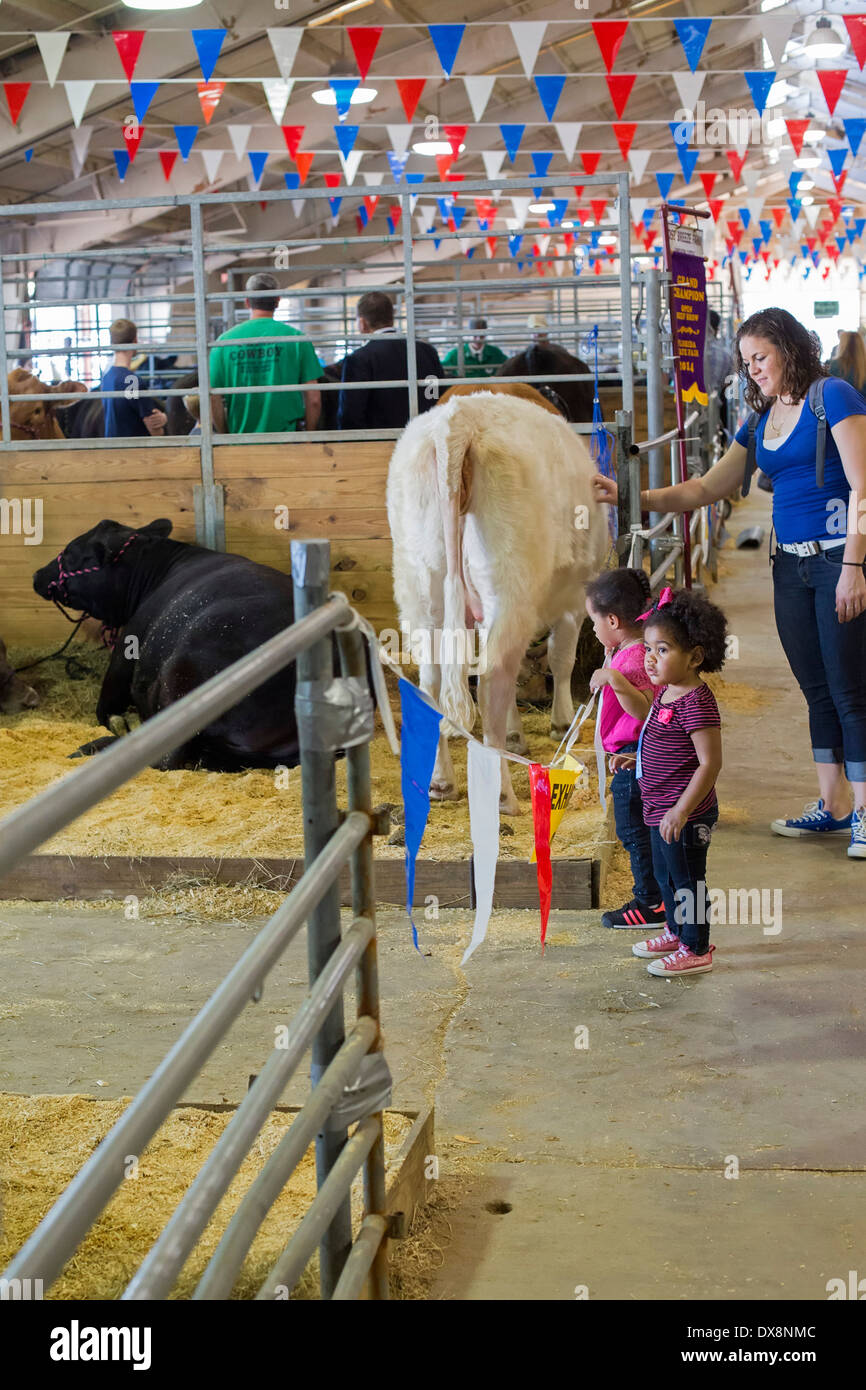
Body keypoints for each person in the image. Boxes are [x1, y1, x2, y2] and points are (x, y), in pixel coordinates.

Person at [592, 306, 866, 858]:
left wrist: (855, 568)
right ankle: (833, 805)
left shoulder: (832, 396)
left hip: (840, 559)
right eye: (746, 361)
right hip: (789, 564)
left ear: (789, 347)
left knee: (850, 688)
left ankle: (865, 814)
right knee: (815, 686)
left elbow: (865, 487)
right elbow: (706, 488)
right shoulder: (761, 418)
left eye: (760, 356)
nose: (754, 369)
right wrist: (632, 499)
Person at [628, 587, 726, 977]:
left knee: (688, 880)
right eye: (648, 648)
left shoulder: (697, 701)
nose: (651, 659)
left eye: (663, 650)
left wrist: (682, 810)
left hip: (686, 814)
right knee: (666, 876)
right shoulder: (666, 692)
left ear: (695, 656)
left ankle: (696, 947)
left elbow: (710, 763)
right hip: (659, 808)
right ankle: (675, 930)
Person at [585, 567, 664, 932]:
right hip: (630, 754)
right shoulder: (629, 650)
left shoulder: (632, 661)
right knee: (637, 830)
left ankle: (650, 904)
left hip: (635, 756)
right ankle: (657, 897)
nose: (594, 630)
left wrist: (613, 678)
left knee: (634, 832)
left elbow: (644, 708)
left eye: (595, 622)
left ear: (613, 620)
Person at [209, 272, 321, 434]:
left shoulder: (223, 343)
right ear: (277, 301)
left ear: (247, 302)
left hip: (241, 442)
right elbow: (314, 399)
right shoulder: (297, 339)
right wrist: (310, 435)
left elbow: (213, 399)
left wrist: (226, 434)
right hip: (288, 441)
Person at [337, 292, 443, 430]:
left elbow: (350, 414)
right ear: (391, 318)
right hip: (425, 439)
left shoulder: (359, 359)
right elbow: (436, 394)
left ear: (362, 323)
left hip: (379, 443)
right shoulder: (427, 351)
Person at [100, 319, 166, 438]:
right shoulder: (132, 381)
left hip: (112, 449)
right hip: (135, 451)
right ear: (135, 340)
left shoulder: (107, 377)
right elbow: (154, 429)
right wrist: (163, 419)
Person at [441, 317, 507, 379]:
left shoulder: (495, 353)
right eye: (474, 335)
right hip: (465, 390)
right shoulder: (454, 355)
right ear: (468, 333)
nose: (478, 339)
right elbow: (441, 370)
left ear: (486, 334)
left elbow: (508, 366)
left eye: (482, 335)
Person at [705, 309, 733, 432]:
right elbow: (728, 384)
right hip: (714, 412)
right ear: (716, 329)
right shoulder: (725, 355)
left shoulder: (684, 352)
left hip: (684, 410)